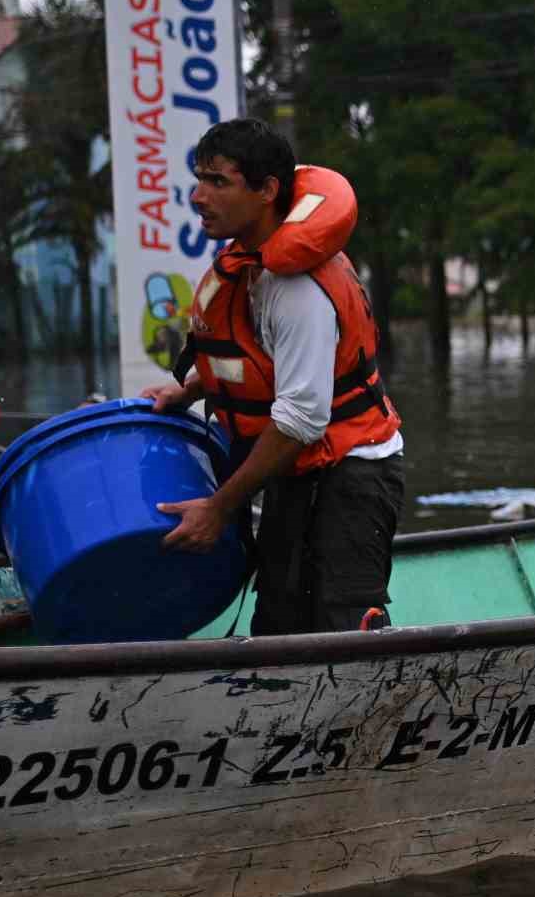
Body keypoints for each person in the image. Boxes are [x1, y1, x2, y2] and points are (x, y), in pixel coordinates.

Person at [141, 118, 405, 636]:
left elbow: (302, 419)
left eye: (219, 182)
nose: (198, 196)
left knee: (342, 628)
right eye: (199, 179)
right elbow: (263, 362)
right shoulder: (251, 264)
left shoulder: (298, 288)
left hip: (351, 471)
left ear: (267, 191)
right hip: (298, 465)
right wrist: (190, 387)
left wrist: (218, 508)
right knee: (279, 623)